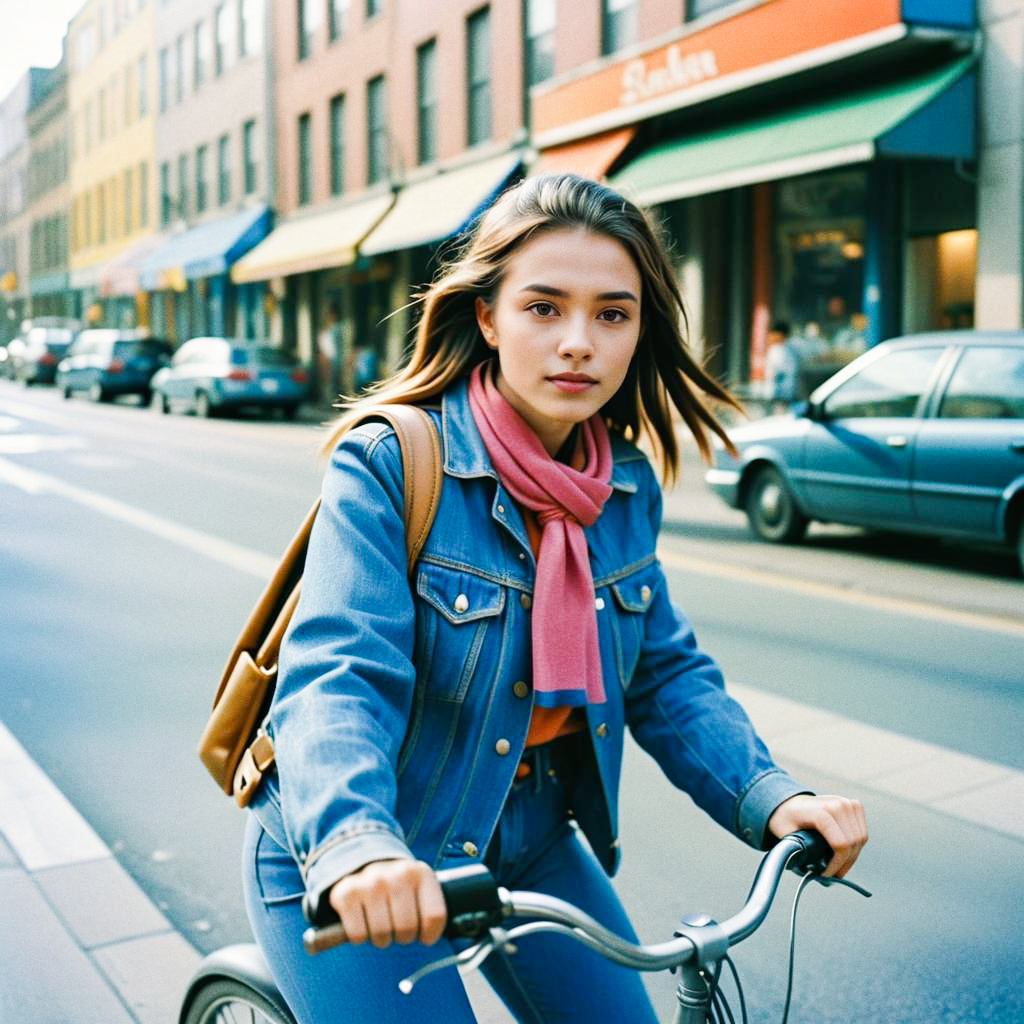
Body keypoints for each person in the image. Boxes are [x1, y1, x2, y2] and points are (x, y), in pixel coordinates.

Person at [242, 174, 868, 1023]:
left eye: (612, 313)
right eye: (544, 307)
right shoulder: (391, 462)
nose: (579, 341)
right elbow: (338, 674)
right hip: (366, 840)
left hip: (529, 827)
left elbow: (665, 676)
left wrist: (772, 796)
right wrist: (357, 846)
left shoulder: (625, 484)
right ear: (488, 317)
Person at [763, 319, 801, 412]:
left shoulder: (778, 350)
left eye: (772, 333)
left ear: (780, 334)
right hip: (787, 395)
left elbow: (778, 375)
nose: (770, 336)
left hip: (780, 397)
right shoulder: (791, 349)